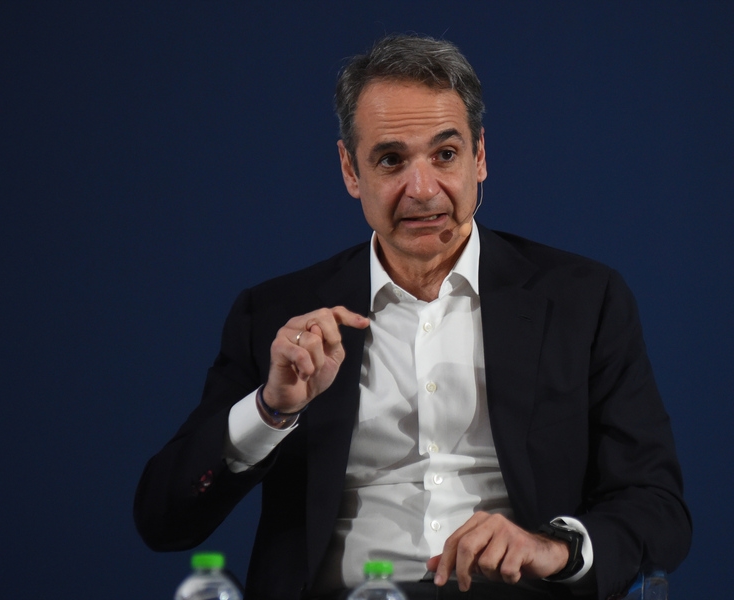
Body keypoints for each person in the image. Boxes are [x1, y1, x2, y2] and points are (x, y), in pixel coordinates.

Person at [134, 34, 691, 600]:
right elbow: (163, 519)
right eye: (391, 160)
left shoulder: (584, 300)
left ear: (479, 157)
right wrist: (271, 411)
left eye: (445, 155)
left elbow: (658, 508)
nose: (422, 190)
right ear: (351, 170)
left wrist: (554, 547)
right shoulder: (276, 316)